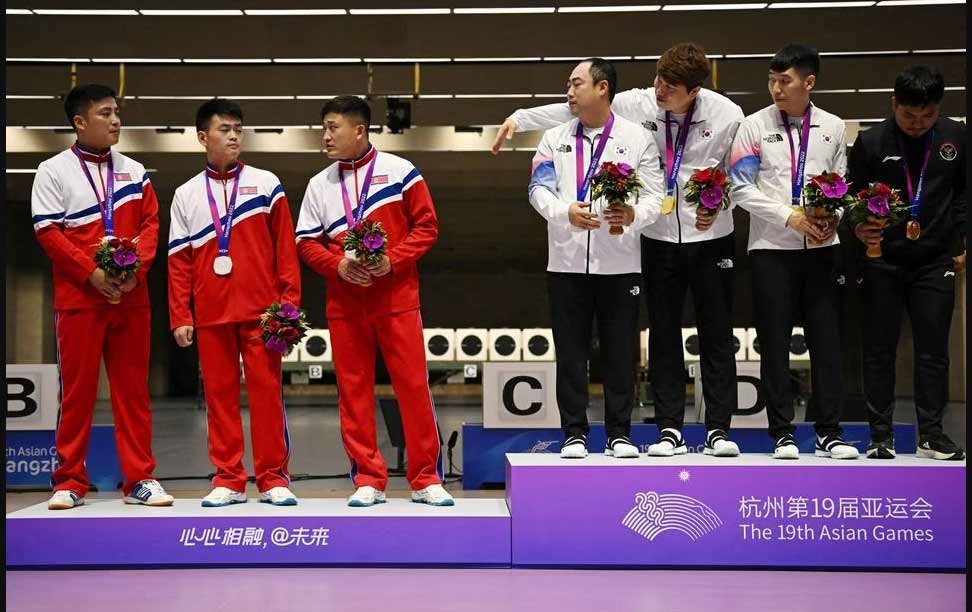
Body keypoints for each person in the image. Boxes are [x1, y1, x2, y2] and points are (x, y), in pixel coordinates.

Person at [495, 43, 744, 457]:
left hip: (709, 234)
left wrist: (723, 202)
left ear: (693, 91)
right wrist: (520, 120)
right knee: (663, 334)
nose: (659, 90)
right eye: (658, 80)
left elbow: (740, 172)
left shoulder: (727, 115)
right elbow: (576, 108)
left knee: (717, 334)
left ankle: (718, 429)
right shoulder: (635, 103)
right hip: (657, 236)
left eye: (669, 87)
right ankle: (669, 430)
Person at [295, 96, 454, 507]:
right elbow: (306, 243)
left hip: (397, 297)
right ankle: (368, 478)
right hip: (345, 303)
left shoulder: (400, 172)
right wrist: (336, 267)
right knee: (353, 391)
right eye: (323, 128)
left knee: (414, 386)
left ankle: (425, 479)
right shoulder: (318, 185)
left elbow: (427, 227)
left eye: (333, 127)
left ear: (359, 130)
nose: (325, 136)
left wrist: (393, 261)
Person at [31, 83, 173, 509]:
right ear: (80, 121)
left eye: (117, 112)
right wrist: (91, 273)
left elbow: (150, 225)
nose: (116, 121)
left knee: (133, 392)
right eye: (106, 113)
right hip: (79, 299)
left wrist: (137, 272)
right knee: (76, 393)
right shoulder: (53, 170)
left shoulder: (135, 170)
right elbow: (47, 232)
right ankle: (69, 480)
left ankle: (140, 479)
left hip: (132, 298)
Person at [525, 58, 664, 459]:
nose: (569, 91)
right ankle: (574, 433)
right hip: (566, 262)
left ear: (602, 88)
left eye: (576, 84)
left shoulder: (636, 138)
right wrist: (563, 211)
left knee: (620, 351)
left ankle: (619, 433)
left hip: (620, 263)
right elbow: (538, 189)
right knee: (570, 351)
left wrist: (636, 214)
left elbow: (656, 196)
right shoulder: (554, 138)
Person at [168, 98, 301, 506]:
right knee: (219, 399)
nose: (233, 136)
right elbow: (178, 261)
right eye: (224, 129)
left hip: (263, 313)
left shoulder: (266, 183)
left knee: (266, 396)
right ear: (202, 137)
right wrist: (180, 315)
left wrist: (288, 305)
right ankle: (228, 478)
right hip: (211, 313)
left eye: (238, 130)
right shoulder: (186, 194)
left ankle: (273, 478)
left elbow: (285, 250)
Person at [728, 43, 859, 460]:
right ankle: (782, 432)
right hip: (771, 248)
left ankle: (829, 431)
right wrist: (790, 218)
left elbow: (840, 181)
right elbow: (740, 186)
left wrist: (833, 216)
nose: (776, 88)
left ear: (809, 81)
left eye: (785, 80)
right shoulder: (752, 126)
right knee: (774, 342)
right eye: (772, 79)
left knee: (827, 342)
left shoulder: (834, 127)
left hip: (824, 248)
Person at [847, 64, 966, 460]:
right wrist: (860, 227)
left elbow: (963, 195)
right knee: (878, 349)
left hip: (935, 260)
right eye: (908, 115)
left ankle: (932, 433)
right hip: (882, 259)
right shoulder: (871, 141)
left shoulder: (956, 137)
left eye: (927, 115)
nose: (917, 124)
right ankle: (881, 435)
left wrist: (961, 241)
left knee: (933, 350)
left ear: (938, 109)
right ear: (893, 104)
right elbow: (851, 199)